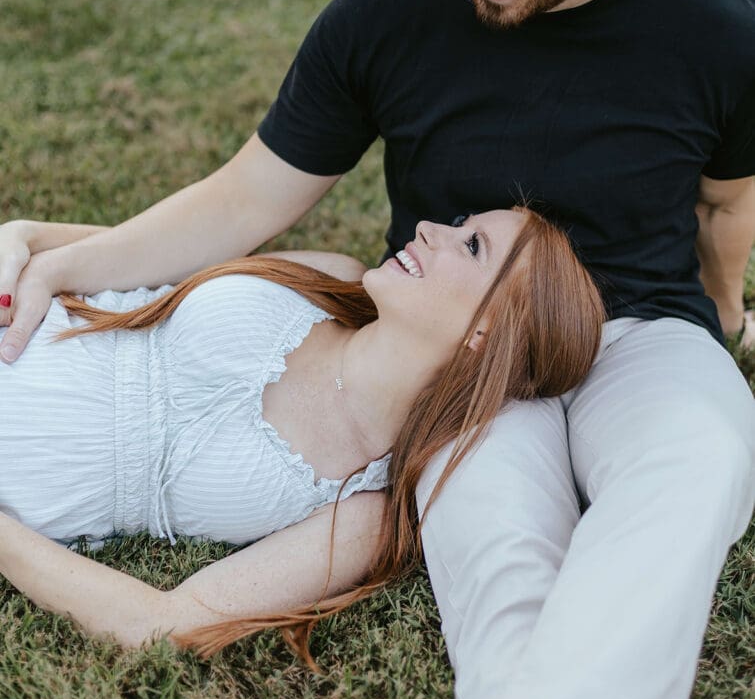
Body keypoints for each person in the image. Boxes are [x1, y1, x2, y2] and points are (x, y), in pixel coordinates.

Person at [0, 0, 752, 699]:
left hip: (641, 326)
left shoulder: (713, 22)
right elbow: (247, 196)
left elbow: (724, 204)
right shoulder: (393, 3)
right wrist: (54, 257)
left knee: (695, 464)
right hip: (456, 344)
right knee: (485, 532)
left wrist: (720, 315)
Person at [0, 209, 604, 666]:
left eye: (470, 246)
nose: (426, 227)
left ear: (485, 336)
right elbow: (136, 254)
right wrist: (26, 238)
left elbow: (162, 624)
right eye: (459, 223)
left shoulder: (363, 512)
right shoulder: (330, 280)